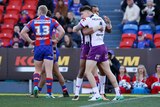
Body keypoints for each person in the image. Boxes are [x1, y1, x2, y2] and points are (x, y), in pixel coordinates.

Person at [73, 5, 123, 101]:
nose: (82, 16)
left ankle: (96, 94)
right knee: (107, 71)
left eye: (82, 13)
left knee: (87, 71)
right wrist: (105, 24)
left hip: (94, 47)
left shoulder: (87, 19)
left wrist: (95, 27)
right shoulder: (100, 19)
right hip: (103, 46)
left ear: (87, 12)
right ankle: (118, 93)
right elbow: (108, 29)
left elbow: (77, 29)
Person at [20, 5, 65, 98]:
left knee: (37, 70)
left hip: (38, 47)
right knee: (49, 71)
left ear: (39, 12)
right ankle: (49, 93)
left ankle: (36, 86)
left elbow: (22, 32)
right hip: (48, 47)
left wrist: (31, 41)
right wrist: (56, 40)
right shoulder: (52, 21)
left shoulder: (33, 21)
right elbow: (62, 31)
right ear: (46, 11)